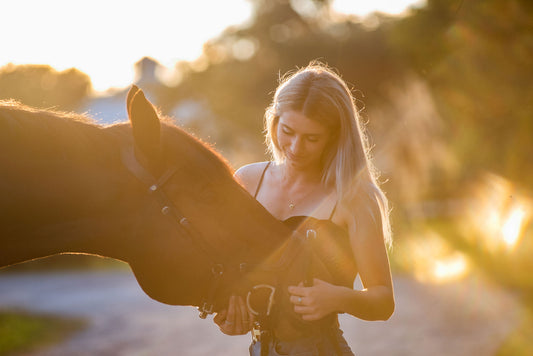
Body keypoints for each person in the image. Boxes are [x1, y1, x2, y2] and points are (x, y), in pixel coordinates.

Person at [213, 62, 395, 355]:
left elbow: (384, 302)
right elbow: (229, 274)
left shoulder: (356, 198)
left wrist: (338, 298)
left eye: (312, 138)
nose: (296, 147)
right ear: (274, 122)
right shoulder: (247, 181)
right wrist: (230, 316)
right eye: (288, 131)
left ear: (334, 137)